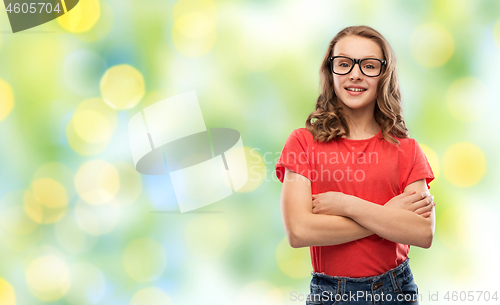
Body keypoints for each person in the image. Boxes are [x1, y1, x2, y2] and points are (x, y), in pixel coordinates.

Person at [275, 25, 436, 305]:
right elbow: (299, 231)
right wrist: (388, 216)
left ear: (384, 75)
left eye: (369, 65)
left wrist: (347, 205)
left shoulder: (407, 150)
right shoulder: (303, 143)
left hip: (395, 290)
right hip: (330, 293)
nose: (355, 73)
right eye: (344, 63)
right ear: (330, 71)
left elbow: (422, 233)